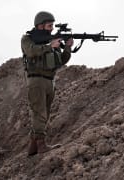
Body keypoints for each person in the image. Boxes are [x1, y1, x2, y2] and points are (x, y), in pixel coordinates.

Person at [21, 11, 74, 156]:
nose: (52, 28)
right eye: (49, 25)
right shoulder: (27, 39)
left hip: (49, 81)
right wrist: (50, 46)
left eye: (52, 26)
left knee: (45, 114)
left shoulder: (52, 42)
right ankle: (41, 145)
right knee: (40, 114)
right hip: (36, 80)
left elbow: (61, 61)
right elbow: (31, 52)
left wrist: (67, 46)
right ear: (40, 25)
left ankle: (33, 148)